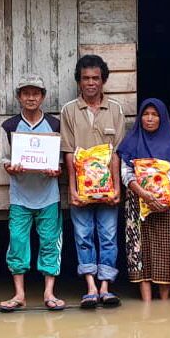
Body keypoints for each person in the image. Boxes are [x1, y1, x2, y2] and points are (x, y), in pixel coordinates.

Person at [60, 54, 125, 309]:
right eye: (85, 78)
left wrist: (118, 188)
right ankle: (90, 287)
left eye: (95, 78)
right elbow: (67, 152)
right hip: (82, 189)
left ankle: (106, 287)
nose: (90, 83)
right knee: (83, 234)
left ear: (104, 80)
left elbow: (117, 153)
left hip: (108, 188)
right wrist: (73, 189)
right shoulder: (69, 111)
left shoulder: (116, 110)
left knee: (108, 235)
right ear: (79, 81)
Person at [0, 74, 65, 312]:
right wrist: (9, 167)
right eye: (26, 93)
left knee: (49, 242)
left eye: (36, 93)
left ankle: (49, 292)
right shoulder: (9, 126)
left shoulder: (55, 125)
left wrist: (57, 170)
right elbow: (4, 159)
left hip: (48, 196)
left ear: (43, 97)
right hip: (20, 196)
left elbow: (61, 160)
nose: (31, 98)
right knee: (17, 242)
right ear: (19, 97)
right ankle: (19, 294)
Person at [117, 98, 170, 303]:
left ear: (162, 119)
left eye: (155, 115)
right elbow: (126, 174)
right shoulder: (131, 141)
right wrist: (144, 194)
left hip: (163, 204)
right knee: (139, 251)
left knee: (163, 250)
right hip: (136, 204)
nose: (150, 118)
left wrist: (165, 197)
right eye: (146, 114)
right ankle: (146, 303)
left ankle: (163, 303)